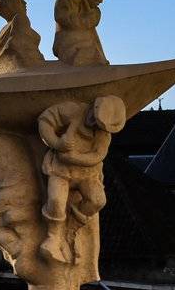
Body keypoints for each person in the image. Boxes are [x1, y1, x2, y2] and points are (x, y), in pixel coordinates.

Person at [38, 96, 125, 263]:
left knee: (97, 200)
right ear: (94, 107)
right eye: (95, 118)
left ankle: (71, 229)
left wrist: (74, 157)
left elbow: (97, 155)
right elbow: (45, 121)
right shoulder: (72, 110)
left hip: (86, 174)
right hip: (61, 171)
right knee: (55, 201)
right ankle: (53, 237)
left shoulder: (103, 134)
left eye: (99, 124)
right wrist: (57, 143)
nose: (94, 124)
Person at [52, 0, 111, 66]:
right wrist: (86, 20)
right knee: (87, 55)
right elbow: (62, 17)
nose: (101, 0)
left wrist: (91, 19)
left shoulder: (95, 11)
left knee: (95, 55)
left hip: (88, 43)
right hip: (68, 42)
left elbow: (93, 23)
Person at [0, 0, 45, 73]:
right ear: (11, 5)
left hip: (7, 68)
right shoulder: (20, 18)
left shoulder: (3, 30)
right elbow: (20, 47)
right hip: (26, 66)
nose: (25, 3)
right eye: (20, 0)